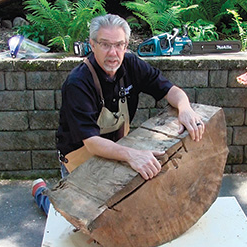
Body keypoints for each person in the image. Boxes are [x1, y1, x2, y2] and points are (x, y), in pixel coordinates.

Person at [32, 14, 205, 214]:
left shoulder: (132, 65)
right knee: (75, 223)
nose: (113, 53)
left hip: (119, 154)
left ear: (126, 45)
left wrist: (185, 108)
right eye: (105, 44)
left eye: (119, 45)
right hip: (81, 159)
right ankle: (42, 193)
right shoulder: (78, 83)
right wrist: (133, 155)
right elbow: (92, 142)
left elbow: (171, 91)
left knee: (129, 212)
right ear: (92, 44)